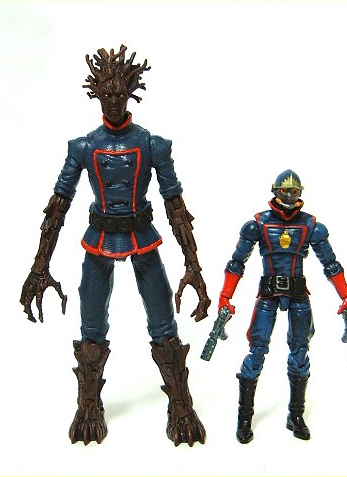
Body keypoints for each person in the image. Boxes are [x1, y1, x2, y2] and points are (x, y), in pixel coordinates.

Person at [20, 44, 210, 447]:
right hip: (99, 238)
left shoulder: (153, 145)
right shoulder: (84, 147)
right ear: (96, 94)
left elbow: (176, 208)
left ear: (129, 93)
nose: (112, 99)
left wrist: (193, 266)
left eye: (118, 93)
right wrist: (39, 265)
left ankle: (180, 405)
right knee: (91, 324)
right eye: (105, 93)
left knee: (163, 321)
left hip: (142, 237)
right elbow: (58, 206)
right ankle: (88, 404)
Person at [218, 169, 347, 443]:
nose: (290, 196)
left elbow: (330, 264)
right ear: (275, 191)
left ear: (300, 192)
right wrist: (225, 296)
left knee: (300, 354)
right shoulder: (258, 225)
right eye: (285, 191)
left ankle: (296, 415)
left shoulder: (311, 226)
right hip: (268, 295)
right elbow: (236, 263)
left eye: (295, 191)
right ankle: (244, 418)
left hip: (298, 295)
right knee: (256, 353)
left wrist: (346, 296)